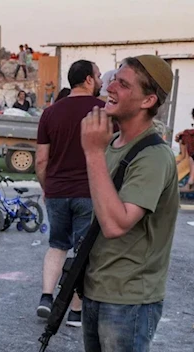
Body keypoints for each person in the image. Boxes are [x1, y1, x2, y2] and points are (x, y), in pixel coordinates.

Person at [80, 55, 178, 351]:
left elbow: (115, 224)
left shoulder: (154, 156)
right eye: (113, 79)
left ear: (148, 100)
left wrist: (92, 153)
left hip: (130, 300)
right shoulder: (111, 145)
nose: (110, 87)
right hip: (97, 290)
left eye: (122, 84)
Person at [35, 59, 104, 327]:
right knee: (82, 249)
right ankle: (75, 311)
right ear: (88, 79)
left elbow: (41, 161)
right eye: (98, 75)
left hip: (57, 191)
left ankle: (46, 298)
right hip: (90, 191)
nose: (100, 81)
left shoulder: (50, 113)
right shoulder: (102, 111)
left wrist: (47, 187)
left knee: (57, 245)